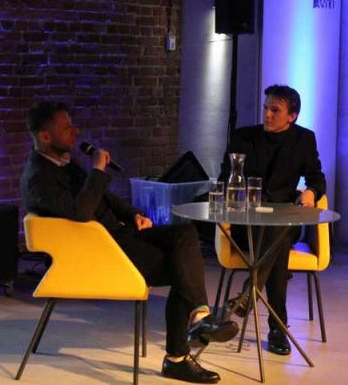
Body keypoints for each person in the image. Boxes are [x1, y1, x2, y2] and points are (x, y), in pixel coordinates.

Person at [20, 101, 238, 384]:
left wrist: (134, 214)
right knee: (181, 266)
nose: (75, 131)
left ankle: (200, 316)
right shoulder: (38, 179)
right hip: (99, 253)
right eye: (66, 127)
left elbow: (103, 198)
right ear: (45, 136)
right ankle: (178, 357)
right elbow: (81, 211)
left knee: (185, 233)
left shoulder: (63, 162)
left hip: (118, 238)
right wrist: (98, 170)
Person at [218, 84, 326, 356]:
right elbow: (224, 178)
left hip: (284, 223)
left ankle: (249, 295)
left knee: (278, 233)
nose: (267, 114)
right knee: (277, 246)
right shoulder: (243, 137)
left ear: (292, 116)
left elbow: (317, 178)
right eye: (266, 108)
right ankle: (277, 327)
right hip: (246, 225)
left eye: (275, 110)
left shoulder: (304, 139)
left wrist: (311, 192)